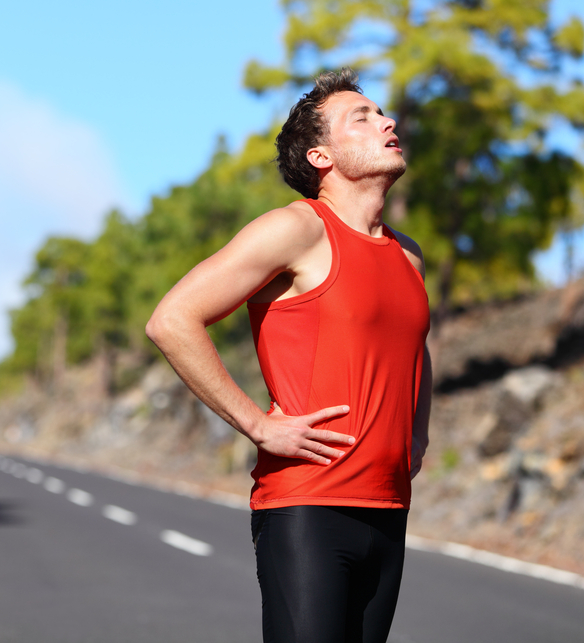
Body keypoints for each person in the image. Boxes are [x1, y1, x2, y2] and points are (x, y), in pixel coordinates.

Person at [145, 68, 432, 643]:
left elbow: (415, 353)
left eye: (383, 113)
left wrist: (416, 438)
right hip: (308, 508)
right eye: (364, 116)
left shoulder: (409, 256)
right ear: (321, 155)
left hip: (389, 508)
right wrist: (257, 424)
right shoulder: (297, 230)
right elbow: (172, 320)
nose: (388, 121)